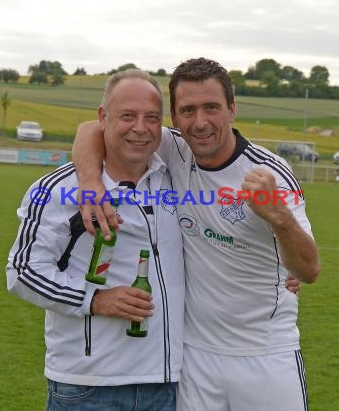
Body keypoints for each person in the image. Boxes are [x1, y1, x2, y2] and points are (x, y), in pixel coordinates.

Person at [73, 57, 320, 411]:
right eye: (188, 110)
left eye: (212, 108)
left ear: (232, 110)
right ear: (175, 117)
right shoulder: (174, 148)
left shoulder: (271, 174)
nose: (200, 122)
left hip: (265, 353)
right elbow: (90, 129)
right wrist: (90, 183)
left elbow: (309, 270)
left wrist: (280, 218)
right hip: (194, 359)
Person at [6, 69, 185, 410]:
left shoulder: (177, 177)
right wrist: (95, 300)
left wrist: (278, 264)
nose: (140, 127)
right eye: (127, 116)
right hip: (89, 387)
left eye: (151, 118)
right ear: (103, 116)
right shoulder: (57, 190)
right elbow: (23, 272)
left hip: (169, 384)